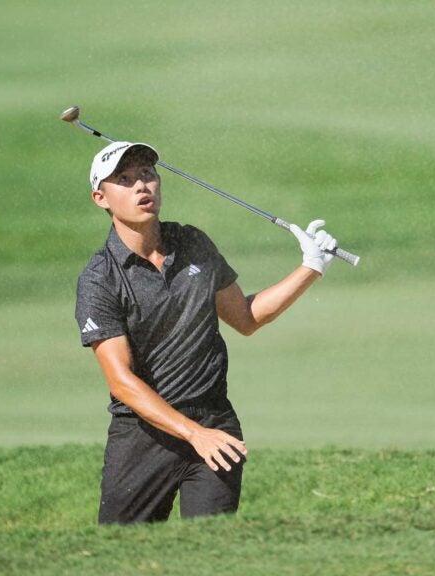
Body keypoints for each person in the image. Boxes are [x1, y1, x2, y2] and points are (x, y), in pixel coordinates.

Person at [74, 141, 337, 524]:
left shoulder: (192, 242)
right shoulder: (101, 278)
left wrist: (311, 267)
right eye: (125, 180)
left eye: (147, 175)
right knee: (121, 555)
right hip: (144, 437)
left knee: (210, 551)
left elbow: (246, 318)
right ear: (101, 198)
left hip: (215, 422)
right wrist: (193, 433)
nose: (141, 187)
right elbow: (122, 381)